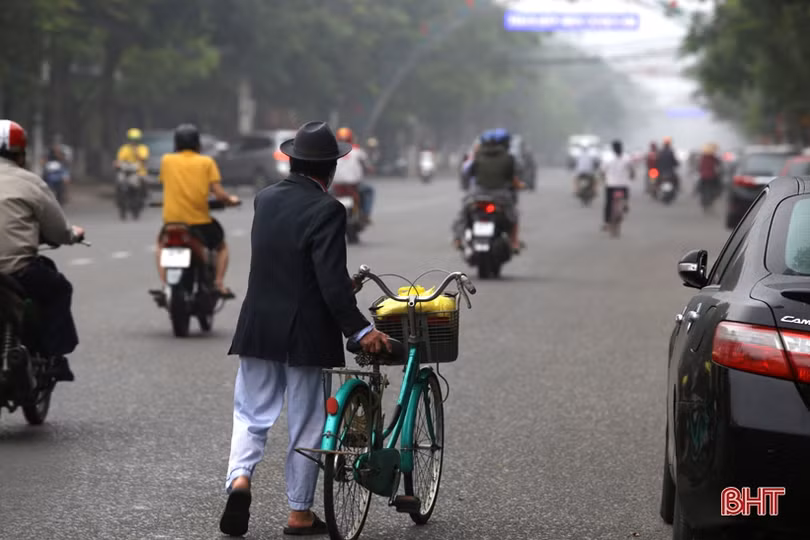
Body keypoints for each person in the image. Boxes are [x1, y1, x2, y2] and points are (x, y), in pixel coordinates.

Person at [219, 121, 390, 537]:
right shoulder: (329, 209)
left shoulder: (265, 199)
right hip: (305, 334)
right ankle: (299, 513)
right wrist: (360, 330)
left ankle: (240, 478)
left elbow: (288, 265)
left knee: (251, 413)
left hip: (258, 325)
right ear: (329, 169)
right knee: (308, 421)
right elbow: (329, 283)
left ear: (292, 161)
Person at [0, 119, 84, 381]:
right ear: (21, 153)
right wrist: (73, 235)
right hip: (18, 272)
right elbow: (58, 231)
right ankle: (54, 356)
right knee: (59, 288)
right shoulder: (31, 183)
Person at [151, 124, 240, 300]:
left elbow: (171, 185)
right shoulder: (206, 162)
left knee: (160, 246)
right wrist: (231, 200)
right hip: (200, 223)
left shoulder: (167, 161)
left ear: (175, 144)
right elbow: (218, 193)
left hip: (173, 223)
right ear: (198, 144)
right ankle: (219, 284)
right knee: (221, 246)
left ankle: (165, 286)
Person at [463, 128, 523, 252]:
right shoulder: (508, 158)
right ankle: (514, 242)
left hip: (477, 193)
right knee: (513, 216)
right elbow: (511, 178)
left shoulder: (477, 156)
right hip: (500, 195)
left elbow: (469, 173)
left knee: (464, 212)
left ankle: (458, 238)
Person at [334, 127, 374, 224]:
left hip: (336, 184)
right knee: (369, 191)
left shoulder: (332, 150)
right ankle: (365, 214)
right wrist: (369, 169)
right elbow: (367, 165)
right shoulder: (357, 150)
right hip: (353, 185)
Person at [601, 139, 635, 230]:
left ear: (613, 149)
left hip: (611, 185)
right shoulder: (627, 158)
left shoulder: (608, 158)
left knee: (608, 203)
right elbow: (631, 170)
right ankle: (625, 204)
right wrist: (632, 176)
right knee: (625, 197)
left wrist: (603, 178)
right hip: (623, 185)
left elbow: (603, 171)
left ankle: (606, 223)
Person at [697, 143, 722, 208]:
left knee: (701, 188)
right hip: (712, 176)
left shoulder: (702, 158)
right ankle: (716, 195)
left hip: (703, 176)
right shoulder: (713, 157)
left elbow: (699, 167)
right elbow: (719, 164)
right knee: (718, 187)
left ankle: (700, 196)